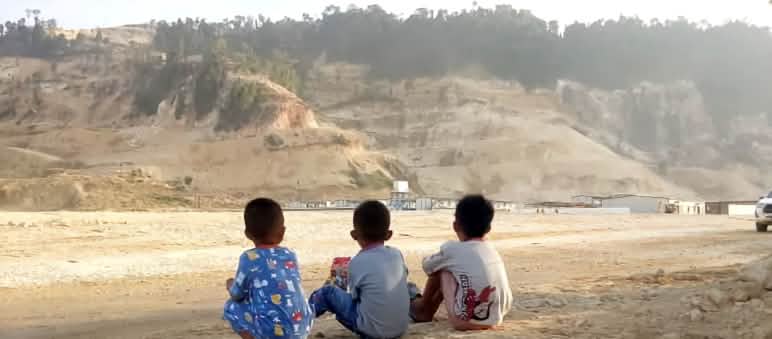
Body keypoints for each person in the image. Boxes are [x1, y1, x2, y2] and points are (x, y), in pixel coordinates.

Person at [309, 200, 410, 339]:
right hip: (400, 329)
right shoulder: (397, 254)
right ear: (388, 234)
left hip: (372, 332)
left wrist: (339, 280)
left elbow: (356, 297)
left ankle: (303, 316)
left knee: (327, 293)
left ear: (354, 235)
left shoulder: (357, 262)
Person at [410, 194, 513, 331]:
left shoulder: (453, 249)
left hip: (462, 321)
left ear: (455, 226)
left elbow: (427, 266)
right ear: (488, 229)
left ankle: (423, 309)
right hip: (497, 316)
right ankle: (425, 308)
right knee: (453, 266)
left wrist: (434, 258)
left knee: (444, 269)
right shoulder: (491, 249)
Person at [223, 198, 313, 339]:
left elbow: (237, 294)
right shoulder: (290, 255)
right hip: (302, 326)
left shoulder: (249, 257)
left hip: (271, 331)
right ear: (282, 232)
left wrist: (230, 284)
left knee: (231, 307)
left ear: (247, 233)